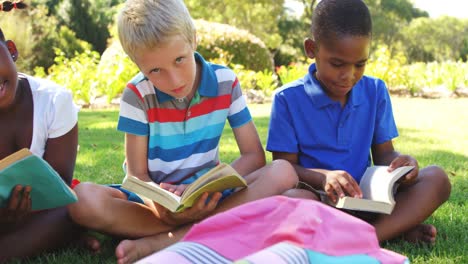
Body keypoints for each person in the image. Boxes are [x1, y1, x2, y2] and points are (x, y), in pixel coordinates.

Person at [67, 1, 311, 263]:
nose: (174, 81)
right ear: (136, 63)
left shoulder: (225, 82)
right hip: (157, 204)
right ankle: (206, 227)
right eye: (155, 70)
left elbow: (253, 156)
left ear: (193, 40)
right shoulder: (137, 95)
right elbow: (138, 176)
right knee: (82, 200)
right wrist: (166, 212)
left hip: (213, 196)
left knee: (284, 172)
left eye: (179, 60)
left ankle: (165, 241)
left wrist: (199, 190)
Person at [266, 0, 451, 245]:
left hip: (370, 201)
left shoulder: (375, 90)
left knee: (437, 178)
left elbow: (385, 153)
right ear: (311, 49)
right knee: (291, 200)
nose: (348, 75)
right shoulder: (287, 99)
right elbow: (284, 168)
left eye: (360, 64)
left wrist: (402, 166)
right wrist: (324, 178)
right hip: (319, 202)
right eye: (337, 64)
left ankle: (368, 237)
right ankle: (386, 233)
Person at [0, 2, 83, 261]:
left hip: (44, 211)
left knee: (76, 208)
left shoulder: (54, 102)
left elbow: (58, 190)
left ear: (11, 50)